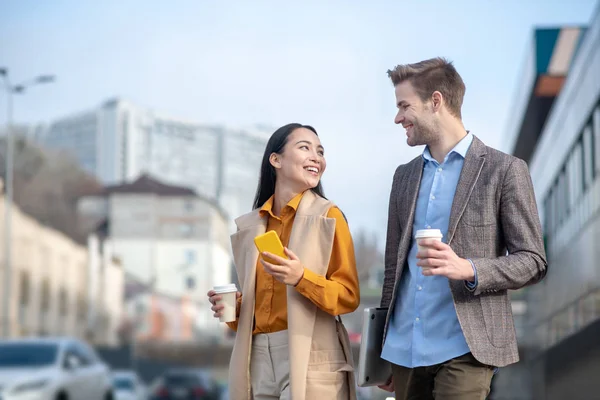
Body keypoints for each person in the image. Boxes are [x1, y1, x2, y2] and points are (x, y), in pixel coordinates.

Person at [378, 58, 547, 399]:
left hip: (466, 349)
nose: (398, 118)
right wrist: (381, 351)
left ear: (436, 101)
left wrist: (467, 268)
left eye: (404, 106)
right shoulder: (404, 176)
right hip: (404, 351)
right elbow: (393, 272)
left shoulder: (504, 170)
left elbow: (533, 260)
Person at [207, 123, 360, 400]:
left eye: (320, 151)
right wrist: (231, 310)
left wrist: (302, 278)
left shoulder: (329, 217)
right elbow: (258, 313)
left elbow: (349, 297)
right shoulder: (250, 227)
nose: (317, 157)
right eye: (305, 148)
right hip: (257, 357)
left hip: (310, 351)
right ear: (275, 160)